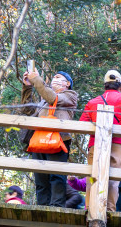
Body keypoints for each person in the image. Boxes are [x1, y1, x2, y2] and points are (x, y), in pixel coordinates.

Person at [79, 70, 121, 212]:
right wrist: (118, 128)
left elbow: (82, 123)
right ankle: (109, 210)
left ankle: (89, 208)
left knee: (93, 177)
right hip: (118, 144)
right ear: (120, 86)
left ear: (105, 86)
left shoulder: (93, 102)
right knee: (113, 179)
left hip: (95, 144)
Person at [21, 68, 78, 207]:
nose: (54, 79)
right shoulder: (43, 101)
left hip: (58, 140)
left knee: (57, 177)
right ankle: (42, 207)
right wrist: (28, 87)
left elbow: (53, 98)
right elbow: (27, 110)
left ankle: (56, 208)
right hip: (39, 140)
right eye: (54, 77)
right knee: (41, 179)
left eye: (58, 77)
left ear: (67, 84)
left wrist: (36, 79)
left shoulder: (70, 95)